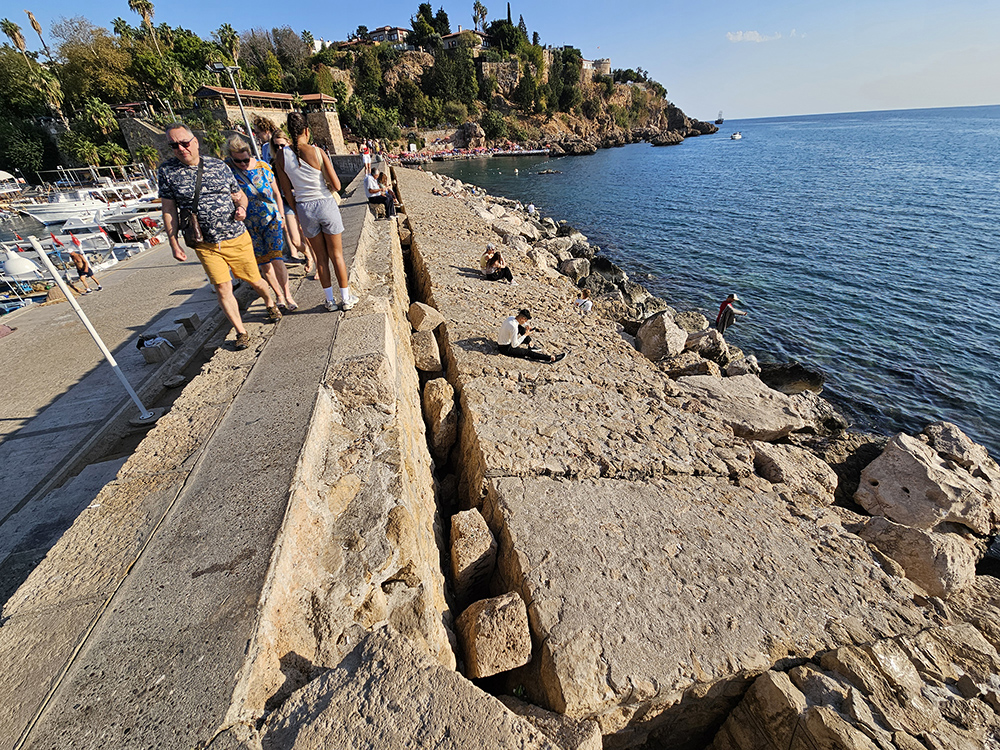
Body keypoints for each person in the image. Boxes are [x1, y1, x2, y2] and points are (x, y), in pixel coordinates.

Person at [158, 123, 279, 351]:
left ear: (194, 142)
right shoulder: (167, 172)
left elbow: (239, 196)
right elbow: (168, 209)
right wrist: (174, 242)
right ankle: (240, 331)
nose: (181, 149)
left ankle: (270, 302)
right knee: (223, 288)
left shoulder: (218, 167)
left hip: (234, 235)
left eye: (184, 143)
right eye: (174, 145)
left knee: (255, 280)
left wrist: (241, 208)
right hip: (205, 242)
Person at [273, 112, 357, 312]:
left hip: (304, 208)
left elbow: (286, 192)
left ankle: (329, 301)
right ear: (306, 131)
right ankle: (345, 299)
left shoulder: (281, 157)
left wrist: (298, 211)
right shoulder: (317, 152)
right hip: (325, 205)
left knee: (321, 258)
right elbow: (336, 185)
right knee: (337, 255)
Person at [226, 135, 297, 311]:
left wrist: (281, 215)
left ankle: (287, 294)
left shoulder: (263, 167)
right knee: (264, 263)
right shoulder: (230, 172)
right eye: (237, 161)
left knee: (277, 258)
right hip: (249, 225)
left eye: (245, 159)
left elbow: (275, 194)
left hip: (270, 218)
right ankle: (278, 295)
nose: (242, 164)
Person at [269, 130, 315, 272]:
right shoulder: (274, 163)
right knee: (295, 240)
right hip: (286, 201)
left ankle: (317, 265)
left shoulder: (297, 159)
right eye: (276, 147)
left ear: (288, 143)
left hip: (301, 199)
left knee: (307, 235)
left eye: (282, 145)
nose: (280, 149)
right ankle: (308, 254)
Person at [497, 309, 566, 363]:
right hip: (505, 348)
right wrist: (525, 335)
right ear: (522, 318)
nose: (525, 322)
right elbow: (514, 345)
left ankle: (530, 344)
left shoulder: (511, 318)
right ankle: (551, 358)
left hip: (501, 342)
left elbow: (519, 324)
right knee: (527, 353)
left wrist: (526, 325)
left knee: (521, 328)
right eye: (525, 320)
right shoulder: (514, 327)